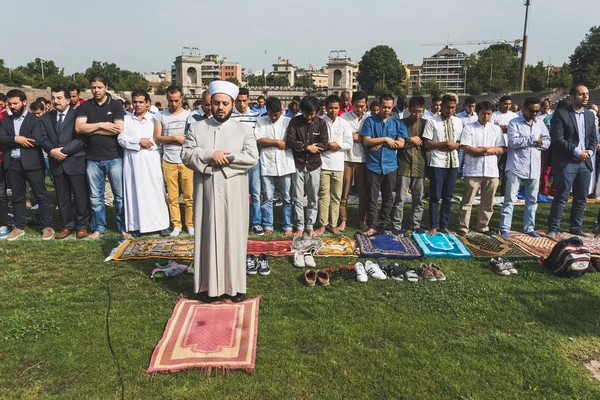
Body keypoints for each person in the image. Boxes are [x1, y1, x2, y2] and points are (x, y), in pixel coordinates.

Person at [181, 80, 258, 303]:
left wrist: (226, 159)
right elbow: (186, 155)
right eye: (216, 103)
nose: (220, 107)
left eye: (225, 103)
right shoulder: (196, 127)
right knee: (207, 236)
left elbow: (252, 158)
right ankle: (206, 287)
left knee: (234, 237)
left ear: (233, 104)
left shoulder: (244, 130)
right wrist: (209, 155)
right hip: (206, 193)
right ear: (210, 104)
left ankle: (235, 287)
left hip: (233, 192)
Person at [75, 74, 126, 239]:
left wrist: (91, 128)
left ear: (106, 87)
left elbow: (118, 128)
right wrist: (102, 125)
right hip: (93, 158)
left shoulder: (117, 105)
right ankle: (99, 227)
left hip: (114, 156)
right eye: (93, 87)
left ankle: (122, 226)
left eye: (99, 87)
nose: (96, 90)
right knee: (96, 198)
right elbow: (79, 129)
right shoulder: (85, 106)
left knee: (120, 196)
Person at [0, 89, 54, 240]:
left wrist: (11, 139)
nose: (12, 106)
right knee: (17, 197)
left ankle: (47, 226)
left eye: (16, 103)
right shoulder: (6, 121)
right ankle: (19, 226)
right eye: (10, 104)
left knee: (41, 195)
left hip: (33, 163)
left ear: (24, 102)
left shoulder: (35, 119)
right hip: (13, 164)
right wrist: (17, 139)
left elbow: (36, 140)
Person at [547, 85, 597, 238]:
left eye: (587, 94)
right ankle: (553, 228)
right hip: (566, 162)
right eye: (581, 94)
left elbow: (594, 138)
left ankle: (576, 228)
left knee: (581, 198)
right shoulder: (561, 114)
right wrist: (576, 151)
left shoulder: (590, 115)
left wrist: (588, 152)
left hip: (585, 162)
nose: (585, 97)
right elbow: (557, 139)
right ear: (572, 97)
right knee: (561, 197)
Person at [39, 87, 89, 239]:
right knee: (62, 196)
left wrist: (65, 150)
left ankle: (82, 225)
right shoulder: (47, 117)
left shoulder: (78, 115)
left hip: (75, 160)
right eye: (53, 98)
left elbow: (82, 139)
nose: (56, 101)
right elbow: (42, 137)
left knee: (80, 195)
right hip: (56, 161)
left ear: (68, 100)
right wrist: (52, 151)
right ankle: (67, 225)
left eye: (59, 98)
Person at [118, 90, 170, 236]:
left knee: (155, 191)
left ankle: (161, 224)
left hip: (150, 161)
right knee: (134, 192)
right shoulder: (127, 119)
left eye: (141, 102)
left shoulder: (155, 119)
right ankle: (136, 225)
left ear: (148, 104)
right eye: (135, 101)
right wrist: (138, 142)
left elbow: (158, 139)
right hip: (132, 162)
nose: (137, 105)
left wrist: (148, 143)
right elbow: (121, 139)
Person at [499, 97, 550, 239]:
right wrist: (533, 140)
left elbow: (547, 142)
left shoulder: (540, 124)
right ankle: (504, 228)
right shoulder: (514, 123)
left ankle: (529, 227)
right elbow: (513, 142)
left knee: (532, 199)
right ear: (524, 109)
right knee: (510, 198)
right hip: (516, 166)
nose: (535, 114)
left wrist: (539, 143)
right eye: (532, 111)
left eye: (537, 111)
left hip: (534, 166)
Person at [361, 94, 407, 236]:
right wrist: (386, 139)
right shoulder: (370, 121)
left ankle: (385, 223)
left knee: (388, 196)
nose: (386, 110)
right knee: (372, 197)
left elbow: (401, 143)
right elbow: (367, 141)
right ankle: (372, 225)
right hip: (373, 165)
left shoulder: (397, 123)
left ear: (392, 106)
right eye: (384, 107)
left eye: (389, 107)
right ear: (379, 106)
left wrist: (380, 143)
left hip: (390, 165)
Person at [457, 101, 505, 236]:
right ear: (478, 113)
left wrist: (483, 150)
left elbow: (501, 148)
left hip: (491, 170)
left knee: (488, 202)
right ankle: (463, 227)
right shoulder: (469, 128)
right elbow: (466, 148)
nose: (486, 116)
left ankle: (483, 226)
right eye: (483, 113)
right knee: (467, 201)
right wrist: (485, 150)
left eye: (489, 114)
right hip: (473, 170)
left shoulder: (496, 129)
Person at [153, 85, 193, 237]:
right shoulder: (160, 116)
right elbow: (157, 138)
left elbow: (194, 137)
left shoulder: (189, 115)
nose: (174, 104)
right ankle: (176, 224)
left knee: (190, 196)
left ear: (181, 99)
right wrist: (174, 138)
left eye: (176, 100)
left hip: (186, 160)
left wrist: (185, 140)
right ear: (166, 98)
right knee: (172, 196)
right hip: (168, 160)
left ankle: (190, 224)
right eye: (170, 100)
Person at [286, 96, 329, 237]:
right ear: (302, 111)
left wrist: (313, 147)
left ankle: (310, 225)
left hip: (314, 165)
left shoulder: (321, 123)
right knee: (297, 197)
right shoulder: (295, 122)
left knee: (313, 197)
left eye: (312, 114)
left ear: (316, 111)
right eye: (306, 114)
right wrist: (306, 147)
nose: (309, 117)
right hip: (298, 164)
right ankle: (299, 225)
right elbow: (291, 141)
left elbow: (324, 143)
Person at [423, 94, 462, 236]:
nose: (449, 110)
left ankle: (444, 225)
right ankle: (433, 225)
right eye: (447, 107)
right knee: (435, 196)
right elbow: (427, 144)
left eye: (452, 107)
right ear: (441, 107)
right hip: (437, 162)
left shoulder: (458, 122)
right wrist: (444, 144)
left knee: (448, 196)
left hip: (453, 162)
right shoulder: (432, 121)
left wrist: (455, 145)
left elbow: (460, 142)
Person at [255, 97, 294, 236]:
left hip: (285, 164)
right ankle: (268, 225)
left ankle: (288, 225)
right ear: (267, 111)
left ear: (281, 110)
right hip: (267, 163)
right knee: (267, 196)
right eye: (271, 114)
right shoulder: (261, 121)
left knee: (287, 197)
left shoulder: (288, 122)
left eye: (276, 114)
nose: (273, 117)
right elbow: (259, 140)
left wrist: (271, 142)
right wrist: (277, 142)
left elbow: (291, 141)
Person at [316, 95, 352, 235]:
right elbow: (316, 141)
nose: (333, 110)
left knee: (336, 196)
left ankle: (333, 224)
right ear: (325, 107)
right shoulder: (320, 122)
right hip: (324, 163)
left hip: (338, 165)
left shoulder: (344, 123)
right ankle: (322, 225)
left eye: (336, 108)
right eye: (330, 108)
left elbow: (349, 143)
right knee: (324, 195)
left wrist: (337, 145)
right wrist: (326, 145)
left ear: (339, 108)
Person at [391, 96, 427, 233]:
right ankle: (396, 225)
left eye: (419, 111)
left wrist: (411, 142)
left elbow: (426, 143)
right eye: (414, 111)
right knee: (400, 197)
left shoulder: (425, 124)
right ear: (408, 109)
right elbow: (396, 143)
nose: (416, 114)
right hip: (404, 165)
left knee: (418, 198)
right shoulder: (401, 123)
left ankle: (415, 224)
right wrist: (410, 140)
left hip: (420, 165)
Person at [231, 88, 262, 234]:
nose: (242, 104)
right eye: (239, 101)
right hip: (236, 161)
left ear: (249, 100)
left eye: (244, 100)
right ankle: (239, 222)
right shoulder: (230, 117)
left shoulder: (257, 116)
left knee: (255, 193)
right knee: (237, 193)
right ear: (234, 101)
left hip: (253, 160)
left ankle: (256, 222)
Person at [339, 90, 369, 231]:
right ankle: (343, 220)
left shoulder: (369, 118)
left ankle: (362, 220)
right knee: (344, 191)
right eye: (357, 105)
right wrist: (358, 137)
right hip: (347, 158)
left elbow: (367, 138)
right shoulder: (344, 118)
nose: (359, 109)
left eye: (362, 106)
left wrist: (359, 137)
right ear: (352, 104)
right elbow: (342, 137)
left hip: (363, 159)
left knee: (363, 193)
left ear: (366, 105)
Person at [456, 96, 478, 175]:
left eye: (473, 106)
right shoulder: (459, 116)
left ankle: (465, 174)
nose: (472, 108)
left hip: (473, 142)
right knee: (459, 160)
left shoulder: (477, 117)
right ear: (465, 106)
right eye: (470, 106)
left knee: (471, 161)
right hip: (462, 142)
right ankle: (456, 174)